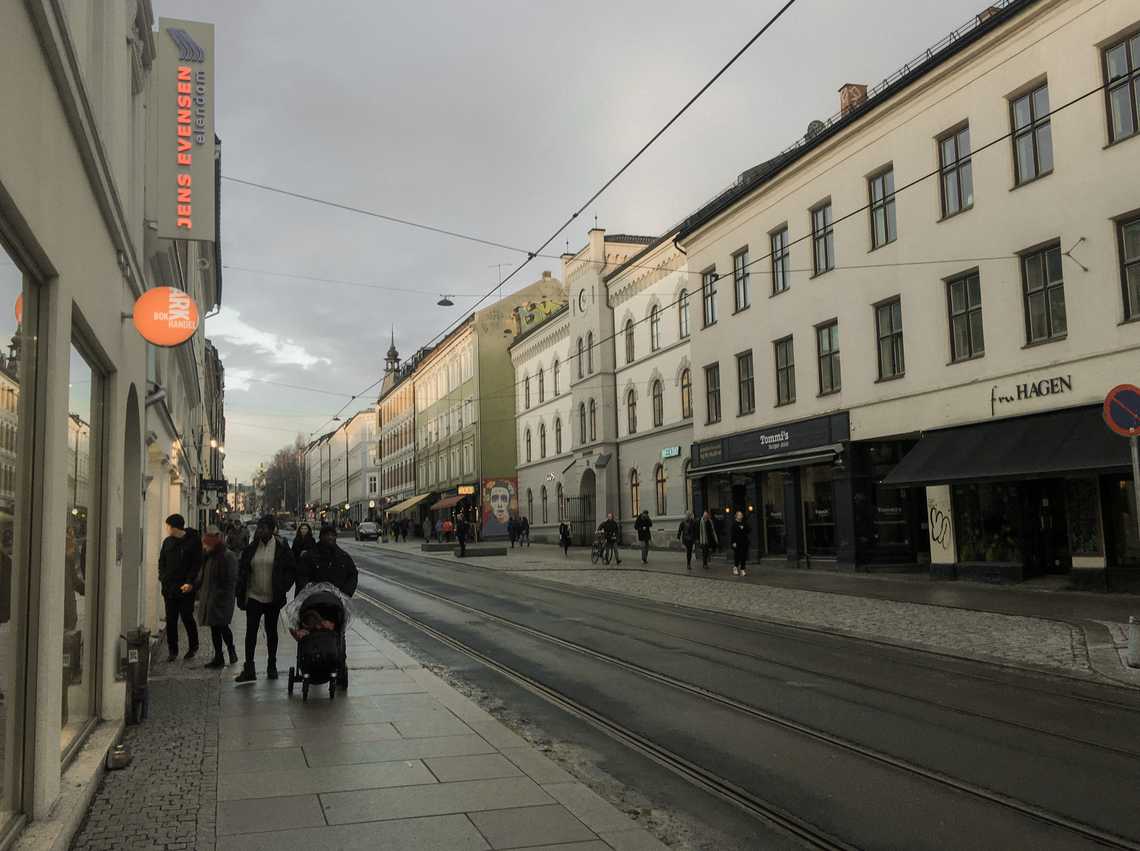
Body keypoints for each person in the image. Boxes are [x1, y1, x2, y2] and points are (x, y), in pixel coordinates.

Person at [235, 515, 295, 683]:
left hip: (272, 597)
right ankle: (249, 668)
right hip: (254, 596)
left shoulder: (281, 547)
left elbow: (291, 569)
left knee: (271, 632)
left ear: (272, 529)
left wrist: (283, 587)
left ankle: (271, 665)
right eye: (260, 528)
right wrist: (240, 592)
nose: (261, 531)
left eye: (264, 528)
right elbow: (243, 570)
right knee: (251, 632)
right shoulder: (252, 548)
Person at [158, 513, 202, 662]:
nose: (168, 529)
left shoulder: (193, 542)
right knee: (171, 620)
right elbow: (162, 561)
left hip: (186, 588)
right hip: (169, 588)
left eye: (169, 527)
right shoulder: (168, 542)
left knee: (187, 617)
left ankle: (193, 646)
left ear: (175, 527)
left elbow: (196, 564)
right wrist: (163, 578)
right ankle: (173, 650)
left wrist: (190, 582)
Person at [197, 526, 238, 668]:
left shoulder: (227, 555)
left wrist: (221, 594)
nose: (205, 546)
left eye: (207, 543)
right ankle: (218, 656)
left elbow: (231, 579)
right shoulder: (209, 556)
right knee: (214, 628)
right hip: (210, 598)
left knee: (223, 626)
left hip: (222, 599)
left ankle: (231, 650)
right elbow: (203, 576)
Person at [296, 525, 359, 596]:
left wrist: (345, 593)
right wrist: (308, 592)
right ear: (321, 537)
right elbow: (301, 576)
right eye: (327, 535)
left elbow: (352, 575)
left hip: (337, 601)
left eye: (333, 535)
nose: (330, 537)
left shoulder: (343, 556)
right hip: (314, 600)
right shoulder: (310, 556)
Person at [730, 510, 749, 577]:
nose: (741, 516)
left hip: (744, 542)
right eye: (740, 515)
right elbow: (732, 534)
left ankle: (742, 569)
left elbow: (749, 530)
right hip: (737, 543)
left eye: (741, 515)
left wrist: (744, 527)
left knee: (743, 556)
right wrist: (733, 542)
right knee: (737, 556)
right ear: (737, 516)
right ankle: (735, 567)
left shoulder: (744, 523)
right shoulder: (734, 524)